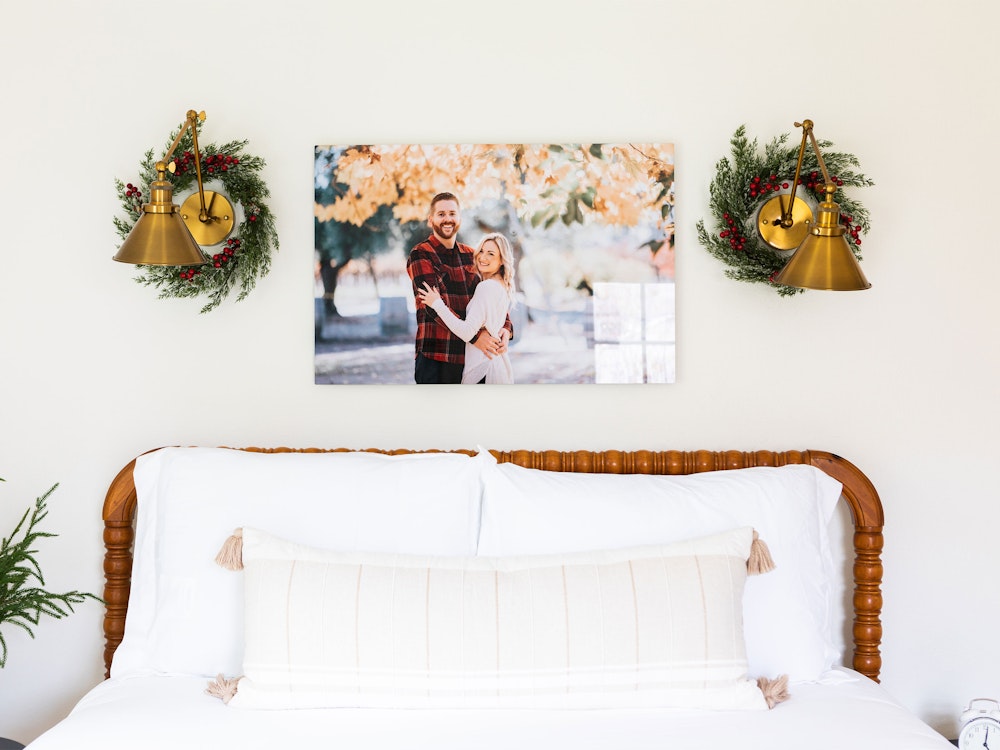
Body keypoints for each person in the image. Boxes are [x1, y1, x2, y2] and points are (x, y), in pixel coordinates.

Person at [406, 193, 512, 384]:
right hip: (436, 356)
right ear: (431, 220)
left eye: (452, 213)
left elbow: (489, 300)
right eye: (441, 214)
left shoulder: (472, 255)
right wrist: (475, 337)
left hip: (467, 358)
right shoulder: (421, 254)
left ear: (460, 218)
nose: (447, 219)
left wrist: (505, 327)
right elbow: (431, 308)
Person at [417, 232, 516, 384]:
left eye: (491, 254)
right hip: (494, 364)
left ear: (502, 260)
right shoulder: (500, 285)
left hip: (483, 368)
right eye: (481, 251)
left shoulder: (486, 287)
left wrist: (437, 303)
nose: (483, 258)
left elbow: (466, 331)